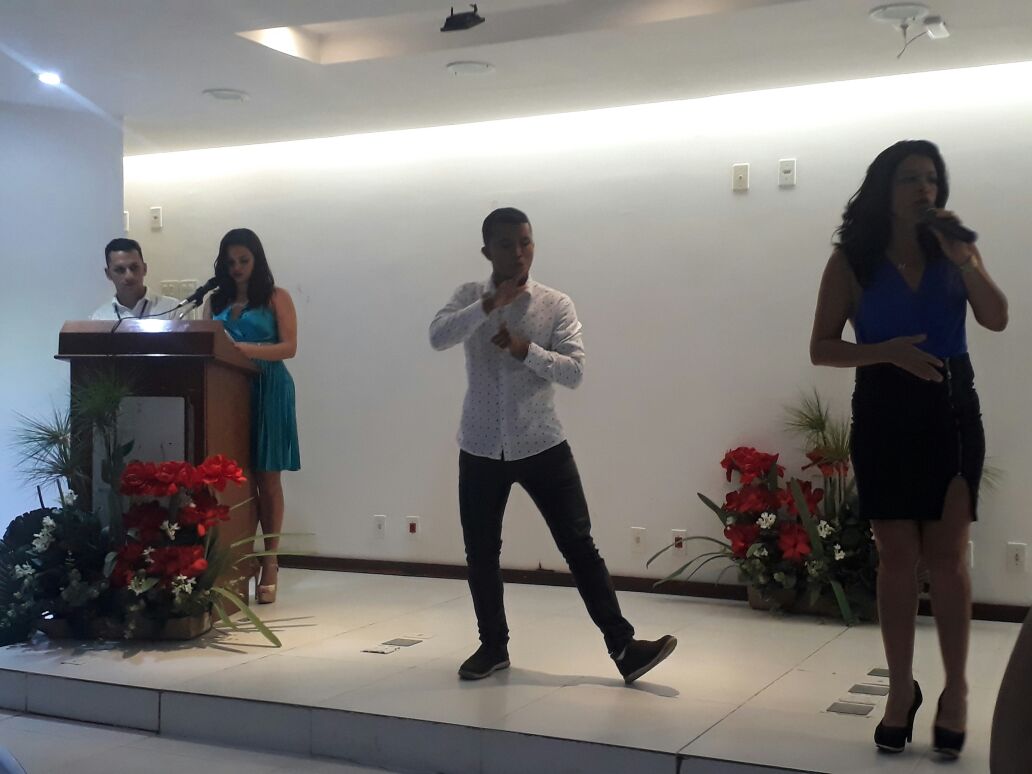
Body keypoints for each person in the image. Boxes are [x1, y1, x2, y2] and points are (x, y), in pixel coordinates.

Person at [810, 141, 1007, 757]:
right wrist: (886, 353)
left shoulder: (956, 248)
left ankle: (956, 693)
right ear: (883, 189)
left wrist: (966, 260)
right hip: (883, 409)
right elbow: (822, 347)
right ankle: (901, 690)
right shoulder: (851, 260)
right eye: (909, 179)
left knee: (947, 558)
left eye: (932, 178)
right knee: (896, 558)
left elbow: (997, 317)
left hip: (951, 408)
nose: (925, 189)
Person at [429, 207, 677, 683]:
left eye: (525, 242)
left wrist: (525, 350)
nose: (518, 252)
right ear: (487, 251)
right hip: (480, 444)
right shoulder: (467, 297)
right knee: (481, 552)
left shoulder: (556, 304)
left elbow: (575, 371)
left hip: (542, 442)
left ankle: (624, 648)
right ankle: (493, 647)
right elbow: (438, 336)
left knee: (579, 546)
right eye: (506, 244)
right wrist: (487, 305)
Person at [204, 228, 300, 604]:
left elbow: (289, 348)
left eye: (244, 260)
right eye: (230, 262)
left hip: (269, 388)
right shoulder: (215, 301)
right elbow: (207, 344)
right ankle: (235, 561)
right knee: (233, 480)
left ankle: (270, 560)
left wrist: (243, 349)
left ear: (256, 260)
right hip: (228, 392)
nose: (237, 268)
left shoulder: (277, 297)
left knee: (267, 476)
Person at [89, 238, 180, 320]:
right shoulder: (99, 318)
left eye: (134, 267)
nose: (129, 276)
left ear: (144, 269)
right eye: (120, 270)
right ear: (108, 274)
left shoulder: (172, 309)